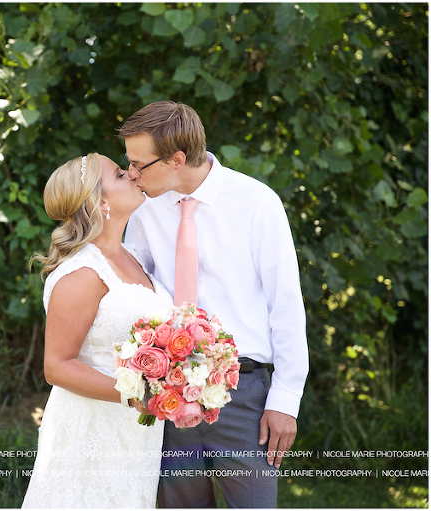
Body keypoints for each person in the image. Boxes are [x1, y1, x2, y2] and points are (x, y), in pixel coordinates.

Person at [119, 101, 309, 508]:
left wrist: (285, 400)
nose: (131, 174)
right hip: (167, 397)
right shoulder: (143, 210)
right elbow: (132, 294)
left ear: (177, 159)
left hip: (244, 396)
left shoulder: (257, 203)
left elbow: (286, 305)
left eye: (139, 164)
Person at [21, 153, 171, 508]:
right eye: (121, 174)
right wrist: (134, 396)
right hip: (90, 427)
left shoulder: (133, 256)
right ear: (100, 202)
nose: (134, 175)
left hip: (136, 432)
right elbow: (57, 365)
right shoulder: (82, 273)